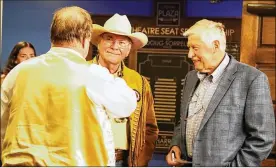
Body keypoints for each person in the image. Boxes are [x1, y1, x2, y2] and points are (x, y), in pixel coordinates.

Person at [1, 6, 137, 166]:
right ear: (85, 39)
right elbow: (127, 105)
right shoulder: (93, 74)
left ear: (53, 37)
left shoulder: (18, 72)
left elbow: (3, 126)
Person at [166, 19, 275, 167]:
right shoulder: (191, 78)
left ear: (215, 45)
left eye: (195, 48)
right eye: (189, 48)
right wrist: (176, 145)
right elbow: (183, 120)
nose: (190, 54)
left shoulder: (252, 79)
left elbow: (262, 138)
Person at [89, 13, 159, 166]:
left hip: (123, 161)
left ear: (129, 50)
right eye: (109, 39)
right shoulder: (81, 73)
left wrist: (140, 162)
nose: (115, 46)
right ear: (98, 43)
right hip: (87, 160)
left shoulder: (139, 82)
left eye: (122, 42)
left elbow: (150, 129)